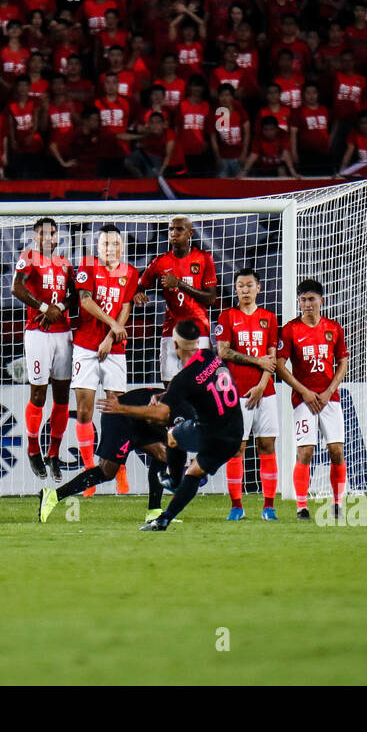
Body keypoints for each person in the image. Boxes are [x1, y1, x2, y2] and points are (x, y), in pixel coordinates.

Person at [98, 319, 243, 531]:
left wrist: (121, 408)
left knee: (173, 434)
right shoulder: (211, 357)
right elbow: (201, 387)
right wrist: (166, 395)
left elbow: (159, 413)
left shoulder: (184, 378)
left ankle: (174, 481)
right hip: (234, 433)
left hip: (210, 434)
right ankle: (164, 519)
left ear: (175, 345)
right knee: (194, 474)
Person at [38, 386, 180, 524]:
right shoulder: (185, 406)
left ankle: (154, 511)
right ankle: (53, 496)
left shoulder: (189, 404)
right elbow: (152, 419)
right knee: (107, 472)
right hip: (120, 418)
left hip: (140, 422)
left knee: (163, 454)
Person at [70, 224, 139, 496]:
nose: (109, 249)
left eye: (114, 244)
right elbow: (85, 302)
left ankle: (119, 469)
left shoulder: (131, 273)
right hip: (86, 346)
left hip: (115, 349)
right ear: (97, 248)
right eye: (104, 244)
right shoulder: (87, 267)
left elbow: (126, 307)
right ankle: (90, 474)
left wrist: (110, 337)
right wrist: (111, 326)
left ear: (122, 246)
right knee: (85, 411)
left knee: (116, 411)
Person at [275, 279, 350, 520]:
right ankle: (301, 506)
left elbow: (343, 361)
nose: (307, 304)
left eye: (311, 299)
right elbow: (279, 365)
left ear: (321, 300)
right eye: (303, 300)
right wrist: (304, 391)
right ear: (299, 302)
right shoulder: (289, 330)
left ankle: (338, 503)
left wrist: (329, 391)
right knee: (305, 451)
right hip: (303, 400)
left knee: (336, 450)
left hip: (330, 399)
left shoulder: (333, 328)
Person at [213, 268, 281, 521]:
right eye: (240, 286)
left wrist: (263, 385)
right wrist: (257, 361)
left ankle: (269, 506)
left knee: (266, 445)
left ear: (258, 288)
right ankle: (236, 506)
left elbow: (272, 357)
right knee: (236, 449)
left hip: (266, 392)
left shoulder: (269, 318)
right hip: (236, 392)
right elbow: (223, 351)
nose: (244, 290)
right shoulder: (228, 316)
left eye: (249, 285)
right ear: (235, 289)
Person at [11, 217, 74, 480]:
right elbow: (16, 287)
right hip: (38, 333)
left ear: (58, 237)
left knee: (62, 398)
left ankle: (53, 454)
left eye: (52, 233)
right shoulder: (29, 257)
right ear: (35, 237)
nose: (48, 238)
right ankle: (33, 448)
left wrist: (60, 308)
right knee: (38, 394)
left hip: (64, 334)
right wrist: (44, 307)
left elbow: (75, 295)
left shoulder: (66, 264)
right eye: (42, 233)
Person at [134, 215, 219, 384]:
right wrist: (138, 294)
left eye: (179, 229)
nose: (174, 233)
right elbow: (139, 287)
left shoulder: (203, 258)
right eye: (171, 229)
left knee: (200, 386)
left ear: (190, 233)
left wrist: (179, 284)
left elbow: (210, 298)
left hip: (198, 330)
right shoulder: (160, 262)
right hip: (171, 330)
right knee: (169, 386)